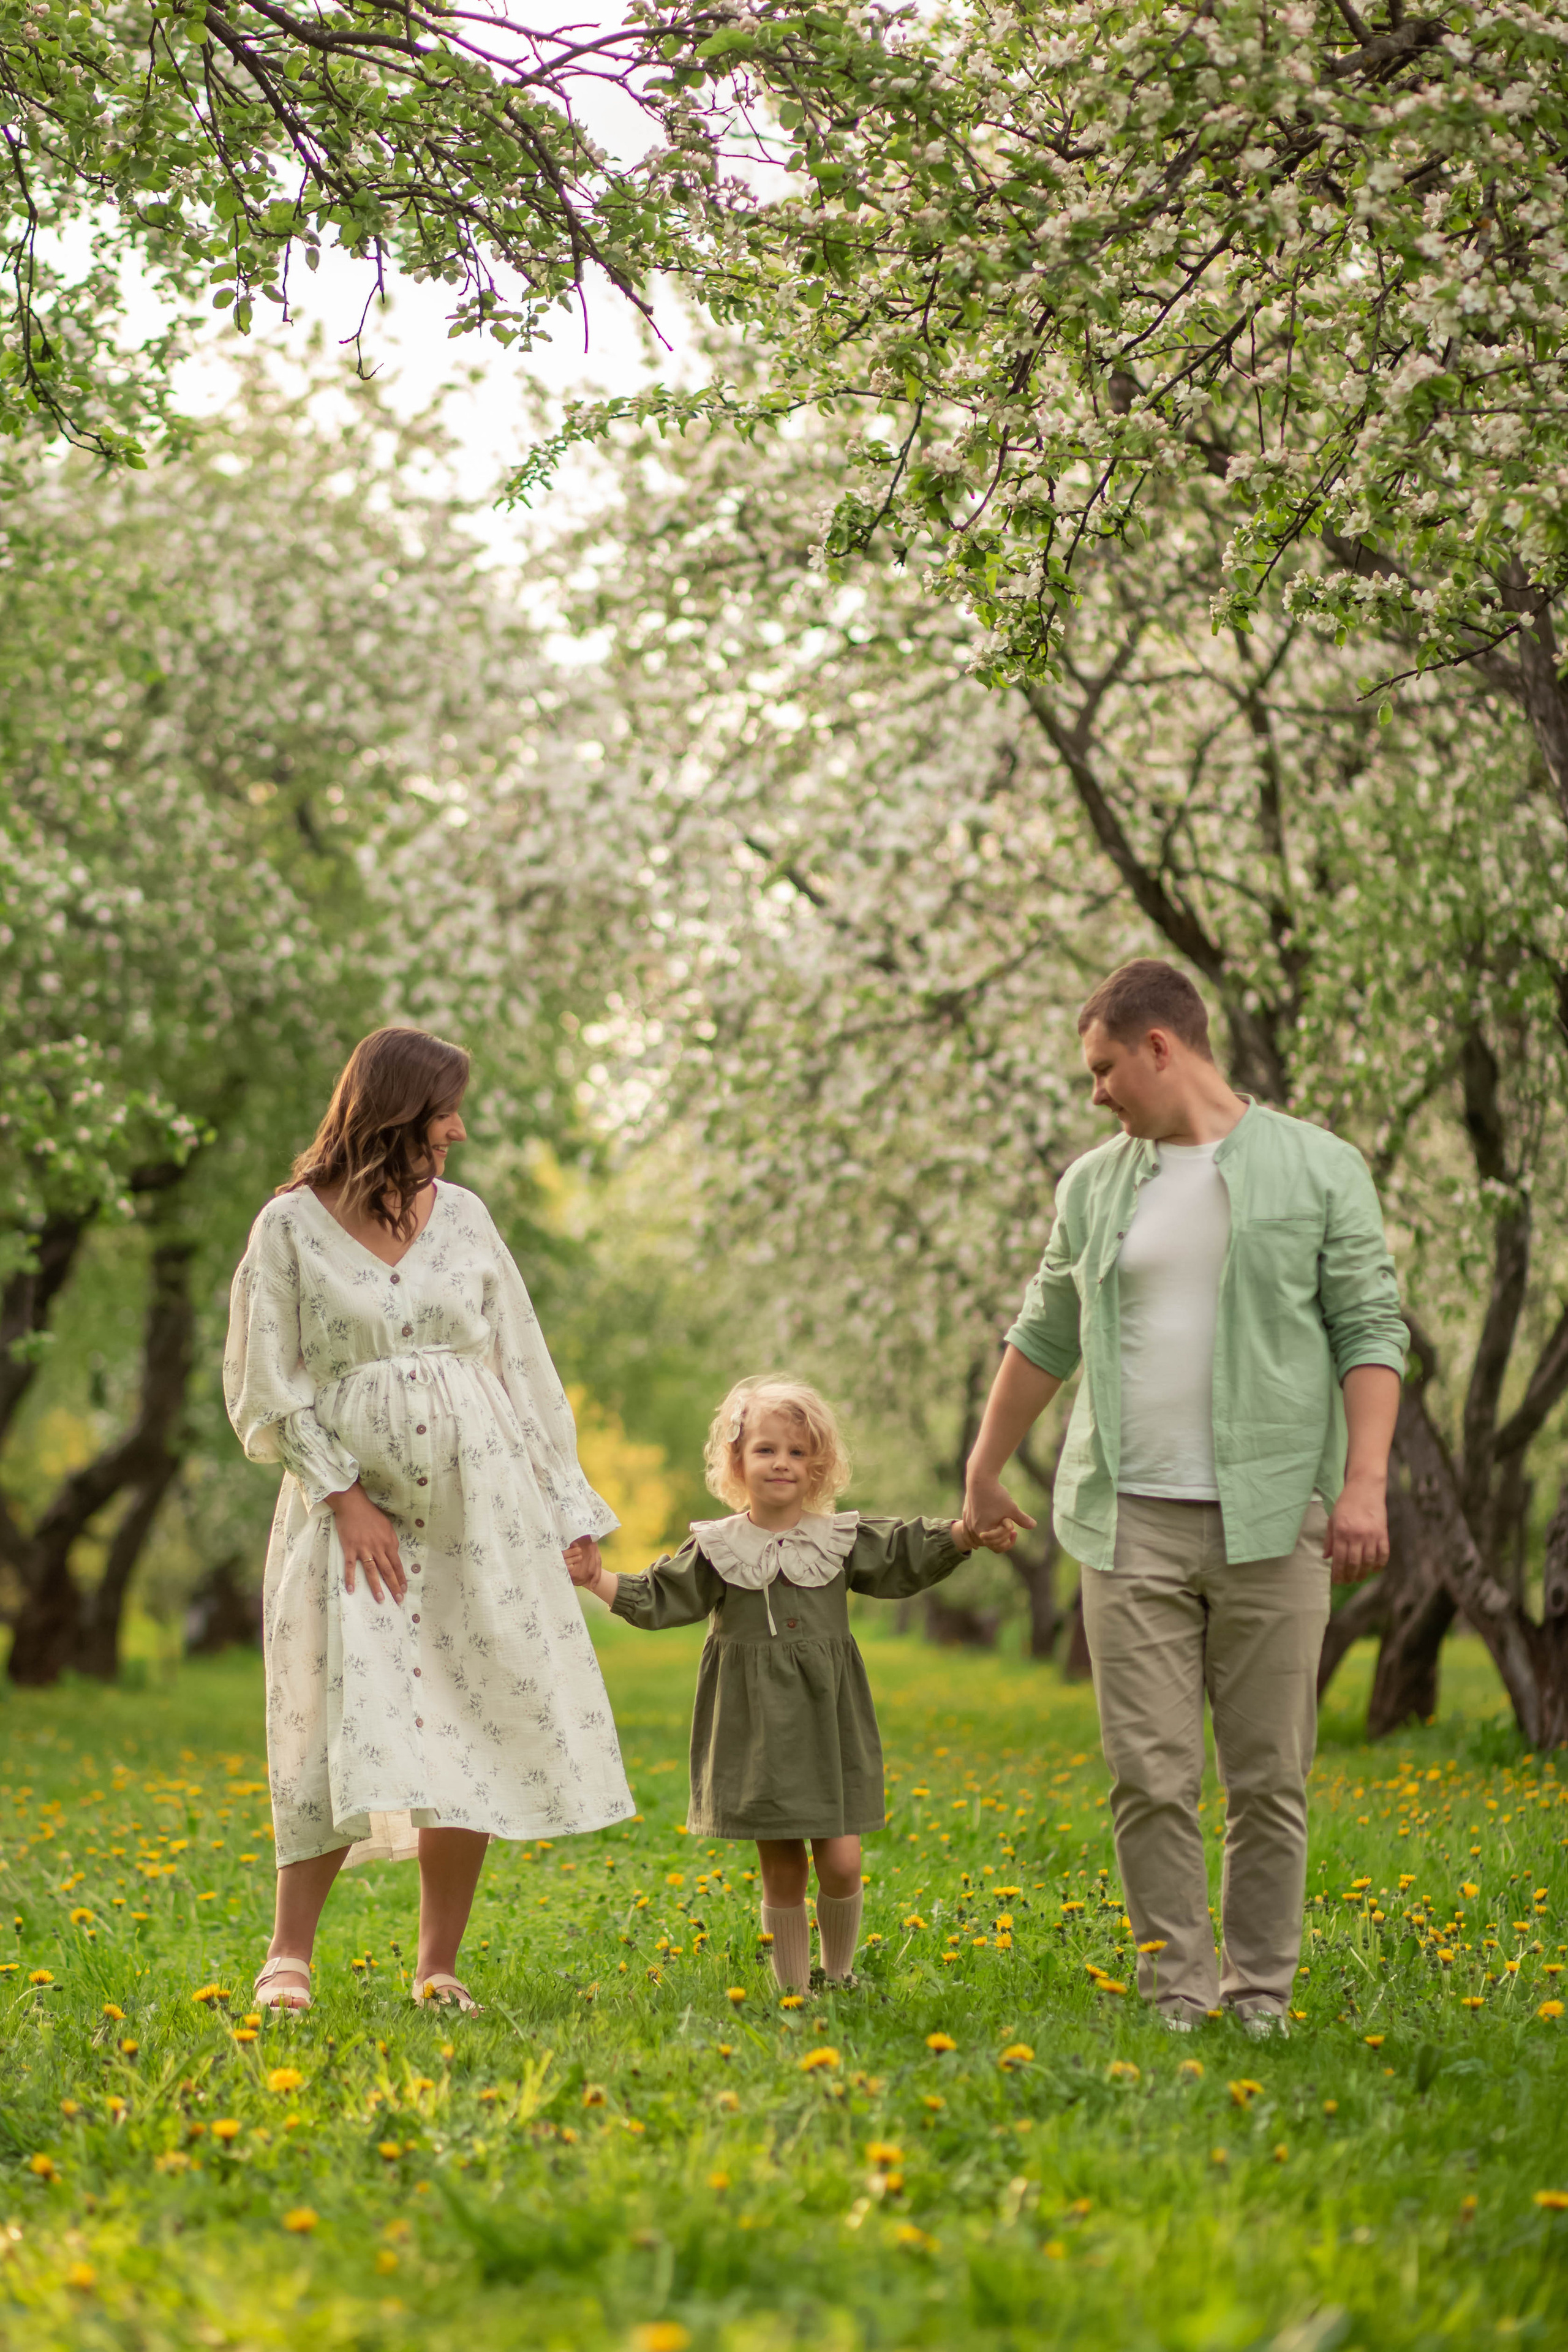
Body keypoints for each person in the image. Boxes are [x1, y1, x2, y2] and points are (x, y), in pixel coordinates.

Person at [963, 959, 1405, 2036]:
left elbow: (1370, 1331)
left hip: (1276, 1516)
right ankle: (1175, 1996)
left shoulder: (1317, 1167)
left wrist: (1364, 1488)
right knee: (1149, 1777)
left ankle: (1259, 1998)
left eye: (1105, 1069)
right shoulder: (1096, 1183)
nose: (1098, 1093)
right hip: (1128, 1519)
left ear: (1162, 1048)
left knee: (1268, 1779)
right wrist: (984, 1465)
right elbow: (1044, 1336)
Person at [224, 1025, 634, 2015]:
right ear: (395, 1112)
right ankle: (289, 1956)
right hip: (350, 1521)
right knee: (325, 1712)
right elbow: (263, 1386)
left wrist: (567, 1503)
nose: (456, 1129)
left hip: (480, 1511)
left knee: (471, 1712)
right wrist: (342, 1495)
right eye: (443, 1110)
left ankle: (438, 1964)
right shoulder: (288, 1228)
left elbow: (523, 1370)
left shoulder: (468, 1220)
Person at [568, 1376, 1016, 1992]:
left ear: (818, 1467)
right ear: (736, 1461)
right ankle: (793, 1992)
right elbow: (662, 1597)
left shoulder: (836, 1539)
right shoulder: (718, 1547)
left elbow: (900, 1556)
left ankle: (838, 1974)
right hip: (756, 1726)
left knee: (841, 1856)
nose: (782, 1463)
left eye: (797, 1453)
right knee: (782, 1867)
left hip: (827, 1718)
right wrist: (597, 1580)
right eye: (765, 1449)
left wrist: (966, 1532)